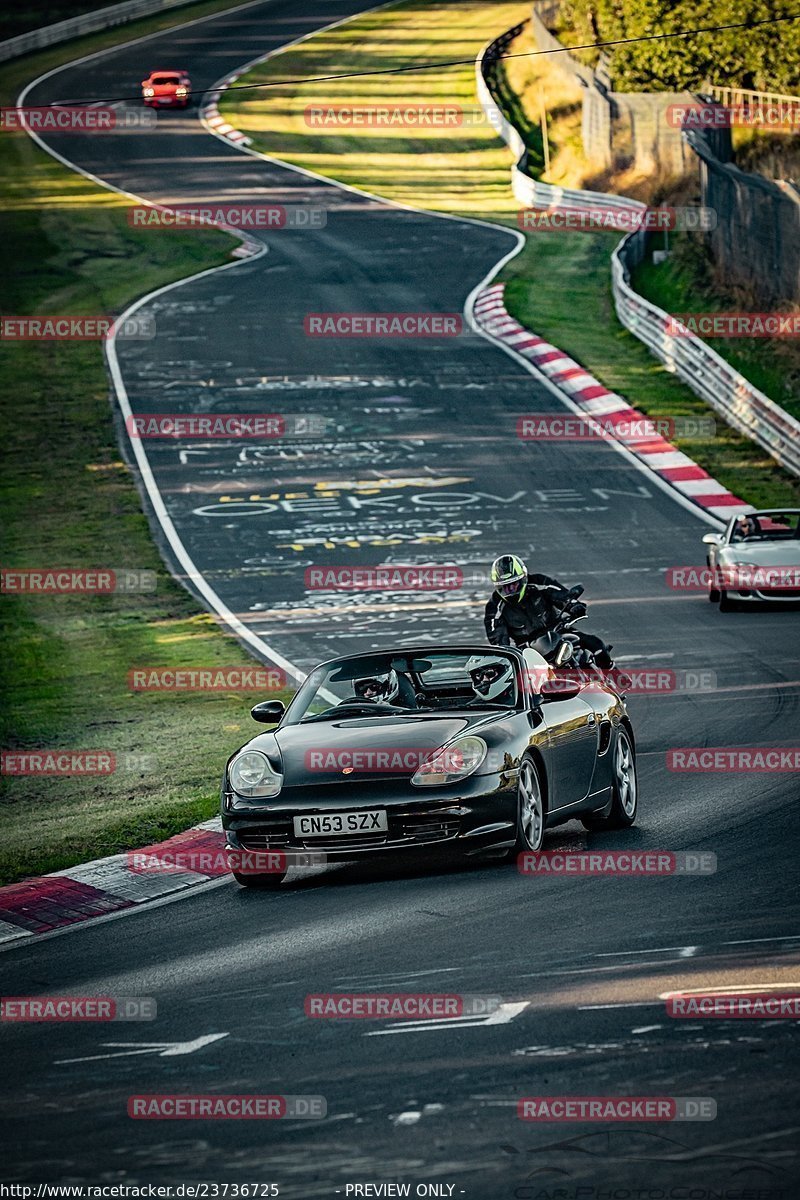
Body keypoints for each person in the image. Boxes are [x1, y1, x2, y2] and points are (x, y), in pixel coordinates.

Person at [483, 553, 613, 669]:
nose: (510, 590)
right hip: (528, 649)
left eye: (514, 584)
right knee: (524, 681)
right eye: (505, 587)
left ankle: (617, 680)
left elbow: (561, 595)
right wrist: (505, 652)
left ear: (523, 578)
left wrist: (574, 605)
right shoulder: (494, 607)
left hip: (559, 631)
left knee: (597, 645)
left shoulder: (539, 583)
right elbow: (498, 638)